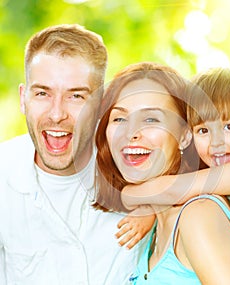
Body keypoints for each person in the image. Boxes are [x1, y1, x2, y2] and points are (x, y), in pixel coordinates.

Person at [121, 67, 230, 284]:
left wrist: (130, 193)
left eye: (229, 126)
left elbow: (174, 190)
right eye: (203, 131)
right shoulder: (221, 179)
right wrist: (150, 211)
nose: (216, 142)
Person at [0, 24, 148, 285]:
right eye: (43, 93)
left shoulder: (136, 166)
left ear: (102, 104)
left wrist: (155, 204)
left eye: (76, 96)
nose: (57, 114)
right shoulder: (5, 173)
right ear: (24, 98)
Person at [93, 62, 230, 284]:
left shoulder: (199, 216)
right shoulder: (154, 228)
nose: (131, 132)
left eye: (151, 119)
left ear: (185, 136)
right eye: (119, 118)